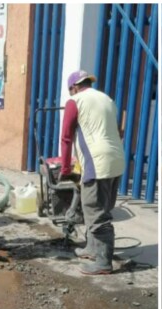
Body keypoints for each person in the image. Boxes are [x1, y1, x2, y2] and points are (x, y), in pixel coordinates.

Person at [59, 70, 125, 275]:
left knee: (95, 212)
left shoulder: (75, 101)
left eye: (70, 90)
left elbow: (66, 137)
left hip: (97, 163)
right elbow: (117, 131)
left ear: (74, 87)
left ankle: (103, 263)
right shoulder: (108, 100)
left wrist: (66, 169)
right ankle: (92, 249)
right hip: (116, 160)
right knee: (102, 207)